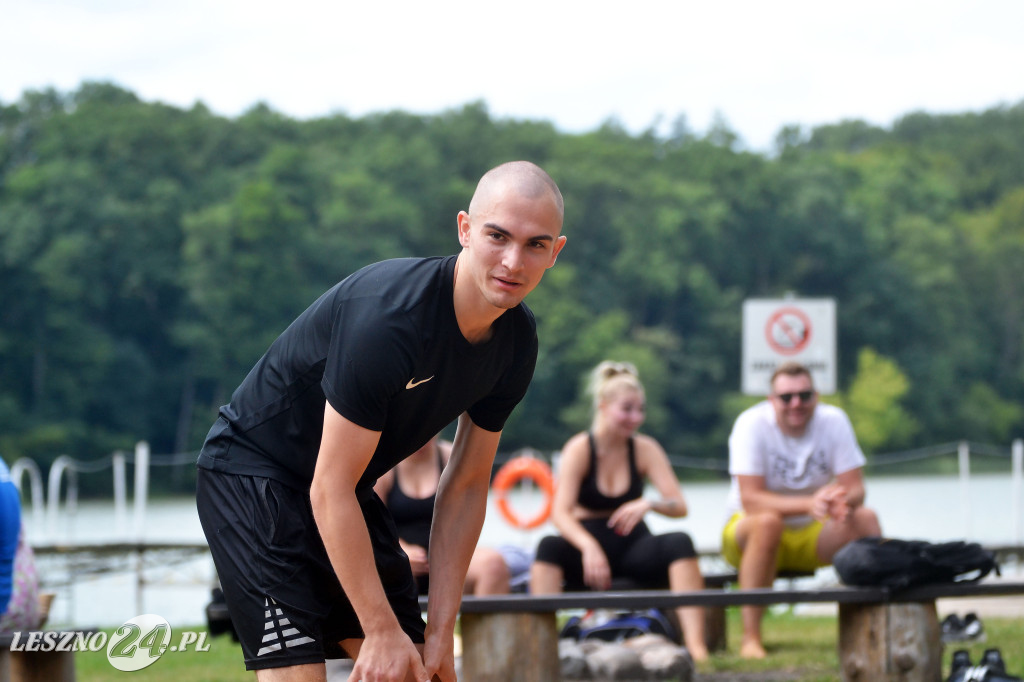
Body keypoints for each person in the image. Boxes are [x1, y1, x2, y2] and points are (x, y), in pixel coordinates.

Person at [195, 160, 567, 682]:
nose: (512, 260)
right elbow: (328, 486)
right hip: (254, 478)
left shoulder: (516, 342)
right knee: (306, 673)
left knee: (422, 671)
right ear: (464, 228)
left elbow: (463, 485)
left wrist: (440, 629)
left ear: (555, 252)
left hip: (345, 492)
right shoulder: (391, 319)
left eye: (535, 244)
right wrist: (380, 629)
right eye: (497, 235)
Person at [530, 361, 709, 662]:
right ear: (603, 406)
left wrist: (648, 503)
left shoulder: (644, 448)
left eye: (640, 410)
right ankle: (540, 650)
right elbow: (559, 513)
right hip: (589, 554)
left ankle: (696, 647)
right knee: (548, 546)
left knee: (680, 541)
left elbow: (680, 506)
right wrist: (588, 546)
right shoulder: (580, 448)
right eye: (627, 409)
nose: (635, 418)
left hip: (633, 547)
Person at [721, 361, 882, 659]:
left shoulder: (834, 420)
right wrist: (809, 503)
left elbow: (858, 489)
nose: (796, 403)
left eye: (804, 395)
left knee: (866, 518)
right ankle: (751, 639)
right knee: (767, 522)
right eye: (786, 397)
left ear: (816, 396)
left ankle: (875, 627)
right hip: (749, 532)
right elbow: (751, 499)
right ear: (772, 400)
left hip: (814, 532)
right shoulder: (750, 423)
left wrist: (838, 498)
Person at [373, 435, 512, 596]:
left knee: (493, 565)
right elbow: (375, 524)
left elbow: (469, 515)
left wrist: (448, 554)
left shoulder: (452, 456)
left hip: (448, 554)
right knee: (395, 570)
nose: (420, 439)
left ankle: (478, 619)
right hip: (403, 555)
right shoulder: (385, 464)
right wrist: (400, 550)